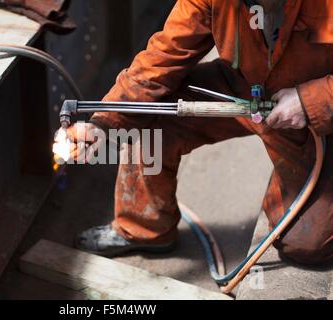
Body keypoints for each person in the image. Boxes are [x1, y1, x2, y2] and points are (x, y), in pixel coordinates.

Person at [63, 0, 332, 264]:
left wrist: (311, 101)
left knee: (305, 242)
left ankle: (303, 175)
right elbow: (161, 60)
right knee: (148, 115)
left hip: (312, 111)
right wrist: (103, 124)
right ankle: (144, 227)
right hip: (244, 85)